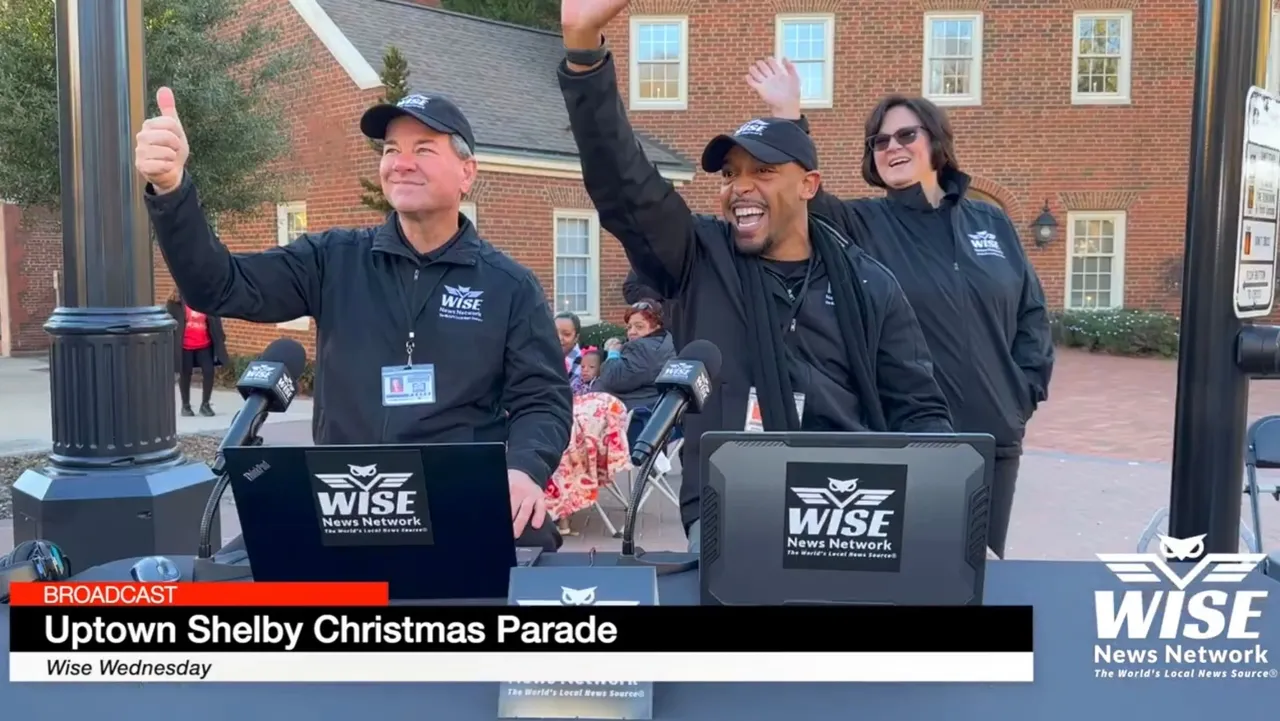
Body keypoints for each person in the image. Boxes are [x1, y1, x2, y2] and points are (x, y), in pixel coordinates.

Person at [558, 0, 954, 552]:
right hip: (729, 513)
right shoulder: (700, 257)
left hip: (850, 517)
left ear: (809, 186)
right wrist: (583, 54)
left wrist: (945, 510)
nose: (739, 186)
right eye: (730, 173)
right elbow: (624, 186)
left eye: (762, 172)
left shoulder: (868, 283)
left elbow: (919, 409)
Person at [135, 87, 572, 549]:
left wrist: (523, 470)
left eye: (423, 149)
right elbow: (217, 285)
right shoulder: (332, 260)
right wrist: (172, 189)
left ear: (467, 172)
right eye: (390, 150)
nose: (401, 162)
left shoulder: (509, 285)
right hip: (346, 503)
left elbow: (541, 400)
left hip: (458, 500)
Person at [747, 58, 1055, 558]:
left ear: (935, 140)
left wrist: (1021, 395)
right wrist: (788, 116)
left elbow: (1031, 316)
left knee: (977, 573)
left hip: (991, 436)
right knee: (907, 573)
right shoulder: (861, 225)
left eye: (906, 135)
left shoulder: (990, 224)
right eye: (880, 141)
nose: (892, 148)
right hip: (901, 440)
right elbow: (802, 198)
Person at [594, 299, 676, 410]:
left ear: (656, 326)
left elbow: (612, 379)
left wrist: (613, 352)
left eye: (639, 326)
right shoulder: (665, 343)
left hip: (626, 414)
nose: (631, 332)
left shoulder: (642, 348)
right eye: (629, 327)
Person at [166, 290, 228, 417]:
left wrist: (220, 337)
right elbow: (169, 323)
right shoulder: (175, 303)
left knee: (209, 371)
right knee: (185, 373)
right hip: (185, 346)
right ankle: (186, 406)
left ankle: (205, 405)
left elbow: (215, 320)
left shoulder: (207, 300)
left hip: (204, 344)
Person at [555, 311, 588, 394]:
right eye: (554, 332)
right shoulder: (543, 357)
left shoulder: (584, 363)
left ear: (576, 337)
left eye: (566, 334)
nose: (559, 338)